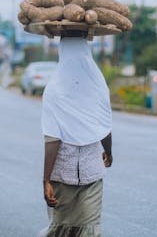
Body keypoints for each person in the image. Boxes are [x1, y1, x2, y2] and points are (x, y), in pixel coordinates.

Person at [40, 30, 113, 237]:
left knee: (66, 229)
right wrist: (109, 152)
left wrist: (46, 179)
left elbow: (52, 138)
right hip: (86, 171)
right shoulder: (98, 85)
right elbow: (105, 126)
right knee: (82, 229)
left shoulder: (53, 89)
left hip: (66, 173)